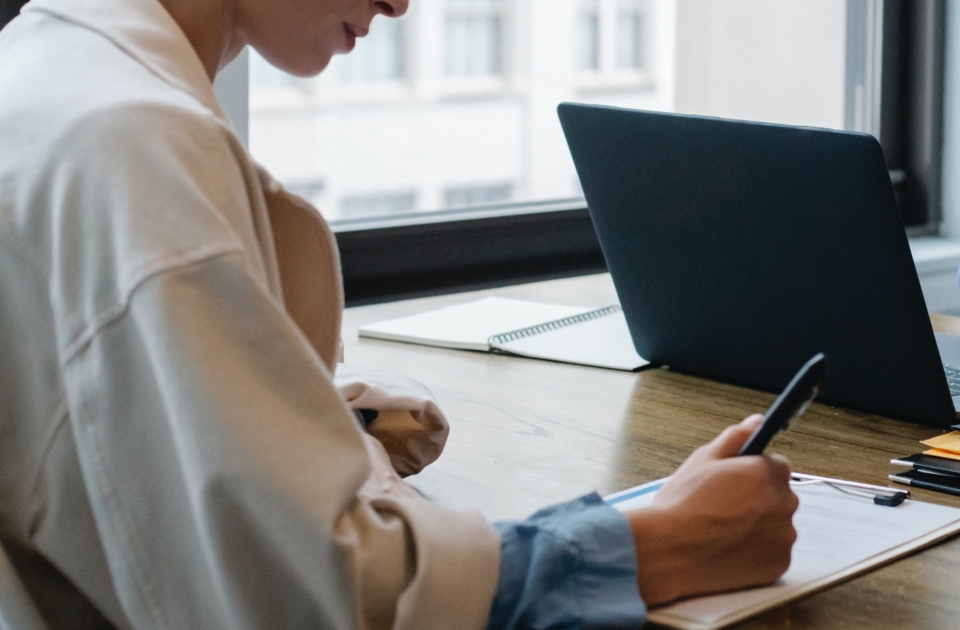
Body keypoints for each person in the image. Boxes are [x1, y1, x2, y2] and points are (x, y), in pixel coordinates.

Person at [0, 0, 798, 628]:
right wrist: (654, 545)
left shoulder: (43, 70)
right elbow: (318, 602)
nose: (400, 4)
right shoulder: (136, 145)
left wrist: (295, 420)